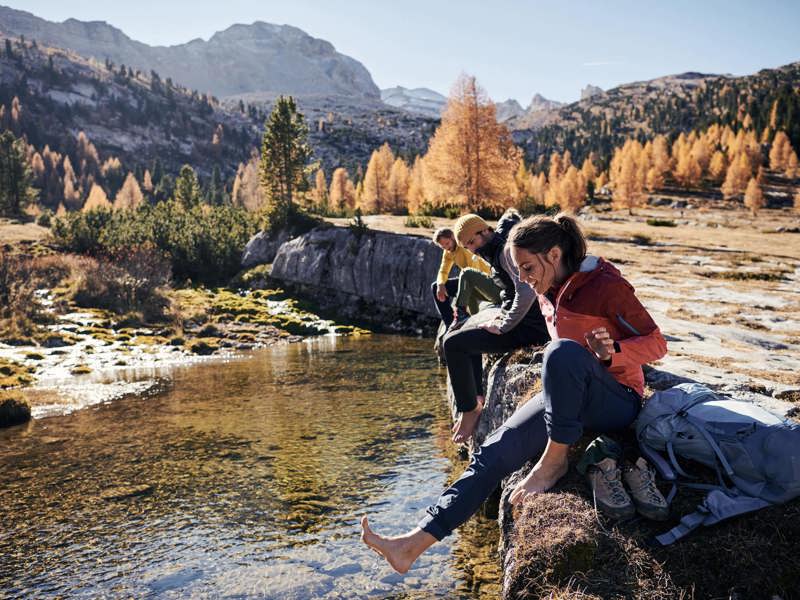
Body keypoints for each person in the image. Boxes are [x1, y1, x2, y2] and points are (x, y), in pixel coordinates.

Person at [361, 213, 668, 574]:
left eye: (527, 268)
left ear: (554, 255)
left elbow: (657, 343)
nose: (522, 278)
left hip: (616, 399)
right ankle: (412, 544)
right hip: (568, 396)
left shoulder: (605, 286)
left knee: (562, 352)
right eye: (518, 269)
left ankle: (553, 462)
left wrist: (612, 352)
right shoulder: (546, 289)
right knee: (494, 449)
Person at [444, 211, 549, 442]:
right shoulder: (497, 249)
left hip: (529, 328)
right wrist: (501, 317)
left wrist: (503, 325)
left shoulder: (505, 252)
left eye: (472, 242)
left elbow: (526, 292)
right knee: (464, 338)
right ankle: (476, 400)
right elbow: (511, 293)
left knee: (453, 344)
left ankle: (469, 410)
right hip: (525, 324)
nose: (472, 249)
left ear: (485, 231)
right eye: (467, 246)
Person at [430, 227, 493, 329]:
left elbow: (473, 270)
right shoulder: (448, 252)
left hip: (483, 281)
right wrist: (441, 284)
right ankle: (450, 323)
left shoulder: (465, 246)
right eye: (443, 247)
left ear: (452, 237)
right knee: (435, 287)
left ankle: (463, 315)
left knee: (466, 279)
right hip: (467, 280)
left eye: (447, 243)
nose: (446, 248)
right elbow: (443, 270)